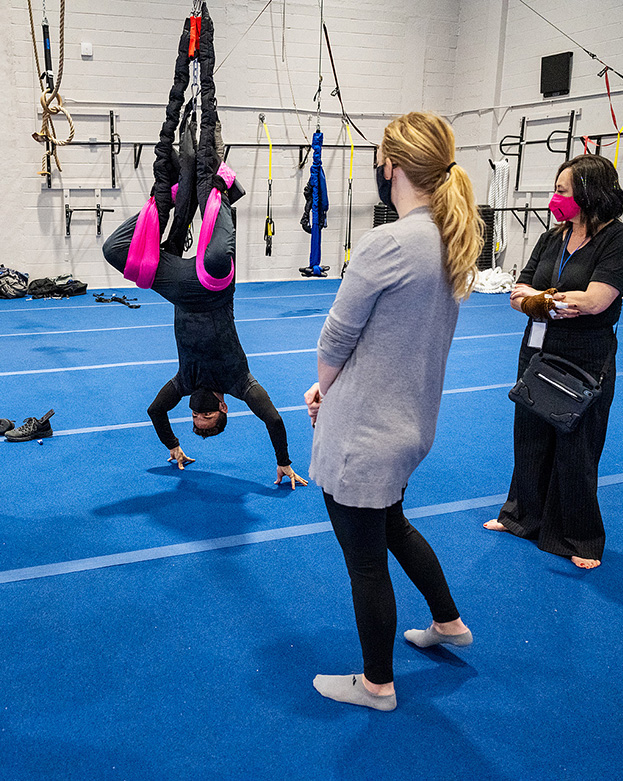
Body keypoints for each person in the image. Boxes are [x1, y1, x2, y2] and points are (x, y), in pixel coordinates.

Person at [304, 112, 481, 711]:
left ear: (392, 167)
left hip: (365, 432)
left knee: (365, 560)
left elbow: (335, 340)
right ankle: (448, 621)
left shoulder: (390, 243)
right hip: (410, 424)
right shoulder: (452, 240)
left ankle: (377, 683)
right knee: (393, 526)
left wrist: (323, 391)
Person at [101, 4, 305, 489]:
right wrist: (282, 462)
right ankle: (220, 191)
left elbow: (154, 411)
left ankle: (169, 197)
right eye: (203, 420)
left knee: (115, 250)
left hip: (179, 290)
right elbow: (275, 421)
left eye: (193, 423)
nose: (195, 416)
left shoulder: (183, 385)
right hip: (213, 288)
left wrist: (173, 445)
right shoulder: (241, 384)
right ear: (222, 409)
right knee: (215, 255)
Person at [484, 154, 623, 570]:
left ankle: (579, 536)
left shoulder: (620, 239)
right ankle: (521, 516)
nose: (555, 197)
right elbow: (519, 290)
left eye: (561, 191)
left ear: (589, 195)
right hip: (538, 348)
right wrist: (544, 301)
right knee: (530, 434)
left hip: (586, 355)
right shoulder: (554, 237)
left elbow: (595, 300)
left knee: (577, 445)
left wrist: (541, 300)